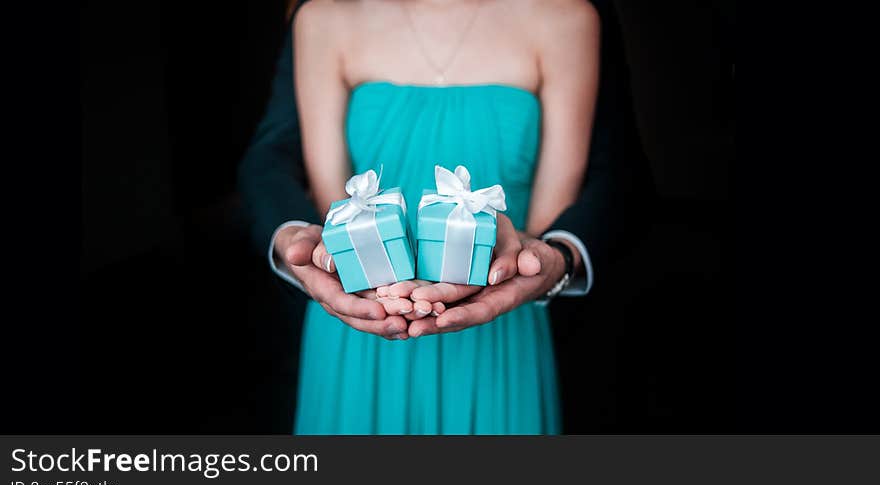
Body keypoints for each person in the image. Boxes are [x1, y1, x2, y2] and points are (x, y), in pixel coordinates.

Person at [238, 0, 654, 434]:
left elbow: (551, 221)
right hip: (361, 324)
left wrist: (544, 256)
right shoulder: (324, 18)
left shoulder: (567, 19)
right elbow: (337, 209)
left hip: (500, 317)